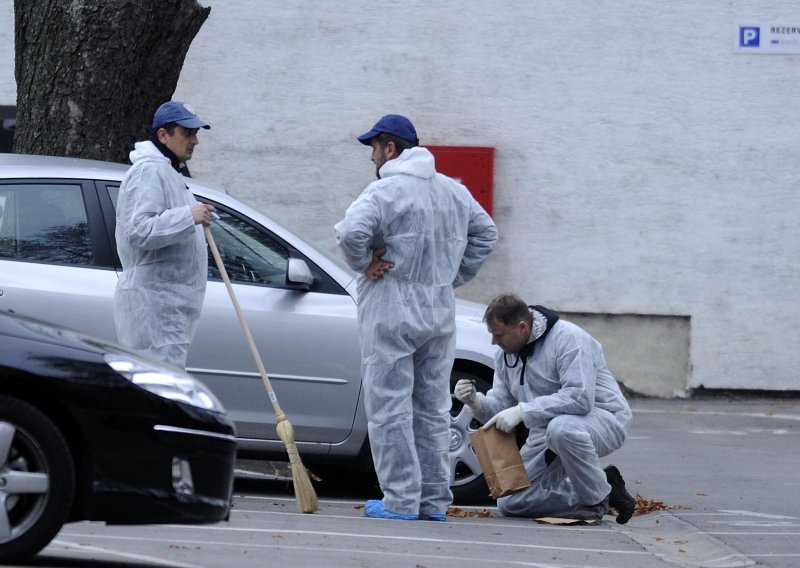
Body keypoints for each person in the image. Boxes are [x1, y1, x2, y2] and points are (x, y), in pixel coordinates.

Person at [335, 114, 498, 521]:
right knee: (431, 409)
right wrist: (452, 276)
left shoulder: (385, 190)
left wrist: (364, 264)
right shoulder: (452, 192)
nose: (372, 157)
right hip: (438, 313)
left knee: (389, 408)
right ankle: (433, 501)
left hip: (391, 308)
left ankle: (401, 500)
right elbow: (486, 233)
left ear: (389, 148)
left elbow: (350, 233)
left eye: (374, 148)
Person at [455, 293, 636, 524]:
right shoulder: (505, 356)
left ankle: (596, 498)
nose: (494, 343)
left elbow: (580, 398)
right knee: (511, 502)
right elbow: (500, 410)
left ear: (522, 327)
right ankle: (603, 490)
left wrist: (523, 411)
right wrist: (475, 401)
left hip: (602, 419)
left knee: (561, 429)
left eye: (498, 335)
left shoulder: (568, 339)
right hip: (547, 429)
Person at [113, 101, 216, 370]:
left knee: (163, 389)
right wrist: (188, 216)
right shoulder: (149, 171)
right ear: (163, 135)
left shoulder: (169, 172)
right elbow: (138, 230)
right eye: (187, 133)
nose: (195, 141)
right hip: (154, 311)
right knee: (159, 390)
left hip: (166, 312)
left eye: (196, 134)